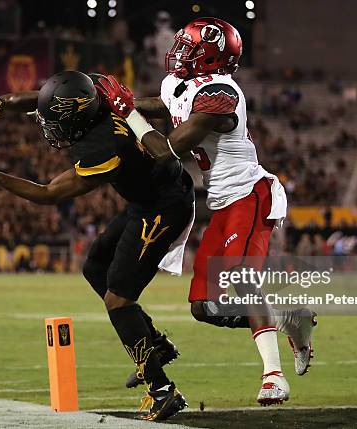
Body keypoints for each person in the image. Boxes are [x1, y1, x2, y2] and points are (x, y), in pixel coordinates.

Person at [96, 17, 316, 406]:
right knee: (203, 307)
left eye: (191, 48)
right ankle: (287, 317)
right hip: (221, 206)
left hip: (250, 195)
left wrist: (127, 113)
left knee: (243, 279)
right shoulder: (185, 85)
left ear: (212, 57)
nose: (180, 52)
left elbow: (166, 150)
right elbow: (162, 106)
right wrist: (113, 107)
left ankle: (274, 376)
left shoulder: (222, 94)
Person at [0, 71, 194, 421]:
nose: (49, 129)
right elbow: (41, 98)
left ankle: (162, 390)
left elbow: (48, 193)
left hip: (163, 208)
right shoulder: (91, 91)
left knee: (118, 301)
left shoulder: (103, 147)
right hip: (147, 199)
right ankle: (154, 343)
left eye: (55, 123)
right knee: (94, 266)